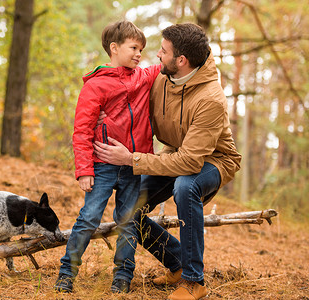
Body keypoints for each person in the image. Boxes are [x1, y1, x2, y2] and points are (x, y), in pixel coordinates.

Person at [94, 23, 242, 300]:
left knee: (186, 187)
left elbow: (189, 163)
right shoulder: (162, 78)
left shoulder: (211, 99)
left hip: (213, 160)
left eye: (163, 51)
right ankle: (177, 264)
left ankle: (193, 281)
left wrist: (131, 159)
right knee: (128, 209)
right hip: (176, 153)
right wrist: (105, 114)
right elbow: (128, 103)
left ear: (181, 60)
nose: (157, 55)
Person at [53, 20, 161, 294]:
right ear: (114, 48)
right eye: (134, 47)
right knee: (89, 218)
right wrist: (84, 169)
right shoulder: (96, 85)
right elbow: (82, 130)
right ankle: (67, 273)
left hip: (132, 166)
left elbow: (167, 64)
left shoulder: (143, 77)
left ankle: (122, 277)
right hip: (101, 166)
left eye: (142, 49)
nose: (139, 53)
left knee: (128, 221)